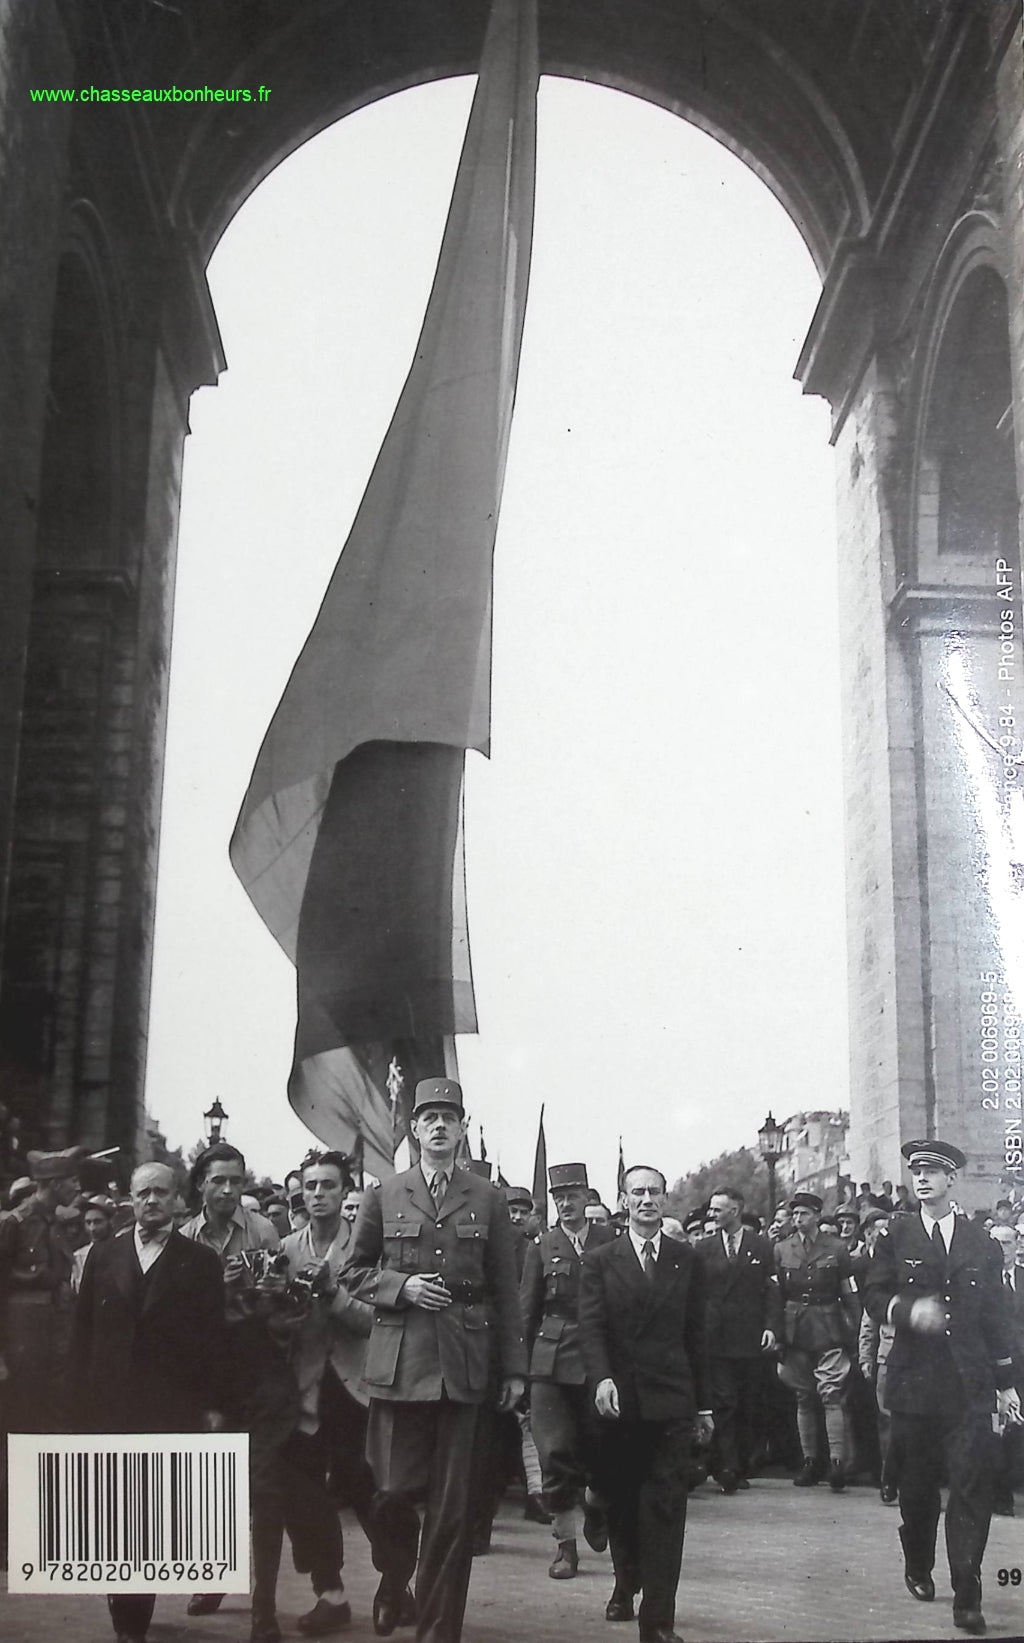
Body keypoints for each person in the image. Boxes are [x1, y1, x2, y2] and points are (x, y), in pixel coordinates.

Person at [341, 1078, 526, 1643]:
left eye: (450, 1116)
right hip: (400, 1366)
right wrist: (403, 1286)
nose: (440, 1126)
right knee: (391, 1491)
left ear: (463, 1127)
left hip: (464, 1366)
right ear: (415, 1129)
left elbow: (505, 1290)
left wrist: (515, 1370)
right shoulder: (383, 1195)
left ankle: (438, 1631)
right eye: (430, 1118)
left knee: (452, 1511)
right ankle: (395, 1579)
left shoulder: (488, 1197)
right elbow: (353, 1272)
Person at [864, 1139, 1022, 1635]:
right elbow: (873, 1295)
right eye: (916, 1172)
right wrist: (908, 1311)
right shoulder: (896, 1235)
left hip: (968, 1387)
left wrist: (1006, 1384)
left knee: (971, 1489)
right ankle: (917, 1561)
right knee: (917, 1490)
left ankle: (968, 1594)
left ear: (953, 1179)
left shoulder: (981, 1242)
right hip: (914, 1385)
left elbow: (997, 1318)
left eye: (934, 1171)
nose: (923, 1179)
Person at [72, 1162, 228, 1643]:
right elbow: (82, 1335)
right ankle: (125, 1617)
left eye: (162, 1192)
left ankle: (134, 1624)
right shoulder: (103, 1255)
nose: (152, 1201)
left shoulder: (200, 1263)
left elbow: (213, 1342)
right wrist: (76, 1406)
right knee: (113, 1513)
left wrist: (212, 1405)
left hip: (170, 1408)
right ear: (131, 1200)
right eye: (143, 1193)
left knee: (154, 1517)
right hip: (110, 1407)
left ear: (179, 1199)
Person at [580, 1164, 712, 1643]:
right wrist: (601, 1379)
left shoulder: (685, 1259)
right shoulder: (600, 1260)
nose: (646, 1200)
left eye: (654, 1192)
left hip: (672, 1401)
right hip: (619, 1402)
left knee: (665, 1510)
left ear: (665, 1198)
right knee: (622, 1502)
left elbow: (697, 1334)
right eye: (637, 1193)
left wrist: (704, 1405)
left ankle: (658, 1623)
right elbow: (590, 1329)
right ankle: (624, 1582)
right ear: (623, 1200)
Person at [273, 1150, 391, 1637]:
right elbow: (275, 1327)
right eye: (310, 1186)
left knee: (364, 1487)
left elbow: (375, 1323)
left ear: (347, 1193)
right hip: (303, 1385)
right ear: (298, 1193)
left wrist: (333, 1293)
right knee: (302, 1492)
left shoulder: (365, 1251)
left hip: (355, 1386)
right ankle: (331, 1593)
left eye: (328, 1185)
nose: (317, 1194)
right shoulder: (285, 1247)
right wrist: (274, 1302)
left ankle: (395, 1581)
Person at [521, 1161, 615, 1578]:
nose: (566, 1203)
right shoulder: (541, 1246)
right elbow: (527, 1312)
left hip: (601, 1360)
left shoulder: (611, 1240)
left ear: (587, 1197)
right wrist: (519, 1372)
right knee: (554, 1454)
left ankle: (596, 1505)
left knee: (602, 1452)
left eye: (573, 1195)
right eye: (559, 1197)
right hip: (551, 1360)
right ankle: (565, 1547)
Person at [697, 1187, 780, 1493]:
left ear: (735, 1211)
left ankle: (741, 1463)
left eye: (718, 1210)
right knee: (724, 1402)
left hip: (749, 1337)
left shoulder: (761, 1246)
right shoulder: (703, 1248)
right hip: (716, 1337)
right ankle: (726, 1466)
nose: (712, 1214)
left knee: (748, 1403)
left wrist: (772, 1327)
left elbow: (772, 1290)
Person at [774, 1191, 858, 1490]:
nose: (798, 1220)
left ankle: (837, 1462)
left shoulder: (836, 1248)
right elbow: (777, 1296)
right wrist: (778, 1333)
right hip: (795, 1327)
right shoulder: (782, 1249)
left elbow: (849, 1293)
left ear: (817, 1216)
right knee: (803, 1396)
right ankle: (810, 1461)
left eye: (804, 1214)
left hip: (828, 1325)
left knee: (831, 1393)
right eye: (795, 1215)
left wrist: (855, 1330)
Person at [855, 1206, 897, 1503]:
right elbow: (869, 1322)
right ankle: (889, 1477)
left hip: (917, 1361)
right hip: (887, 1357)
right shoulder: (882, 1280)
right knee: (886, 1420)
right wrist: (866, 1358)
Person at [70, 1193, 116, 1292]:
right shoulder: (79, 1256)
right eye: (88, 1222)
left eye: (98, 1222)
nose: (92, 1228)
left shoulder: (123, 1251)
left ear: (110, 1222)